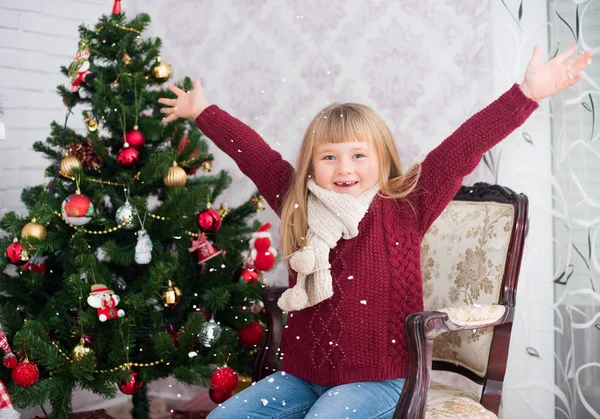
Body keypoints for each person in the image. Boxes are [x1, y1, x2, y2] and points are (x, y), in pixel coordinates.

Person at [159, 45, 591, 418]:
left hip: (381, 379)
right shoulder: (298, 202)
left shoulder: (407, 205)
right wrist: (202, 112)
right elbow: (254, 154)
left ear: (382, 160)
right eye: (329, 157)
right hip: (303, 376)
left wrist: (527, 93)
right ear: (311, 165)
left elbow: (464, 146)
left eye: (358, 155)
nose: (344, 168)